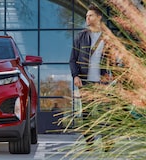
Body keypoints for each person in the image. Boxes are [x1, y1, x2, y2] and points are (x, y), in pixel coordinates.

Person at [69, 4, 112, 151]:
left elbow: (113, 61)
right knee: (87, 113)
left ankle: (106, 143)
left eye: (90, 15)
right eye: (86, 16)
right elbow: (72, 59)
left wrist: (112, 78)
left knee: (104, 112)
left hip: (102, 82)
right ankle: (90, 144)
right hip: (85, 82)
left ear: (99, 17)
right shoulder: (81, 36)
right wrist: (75, 76)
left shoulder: (107, 37)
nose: (87, 18)